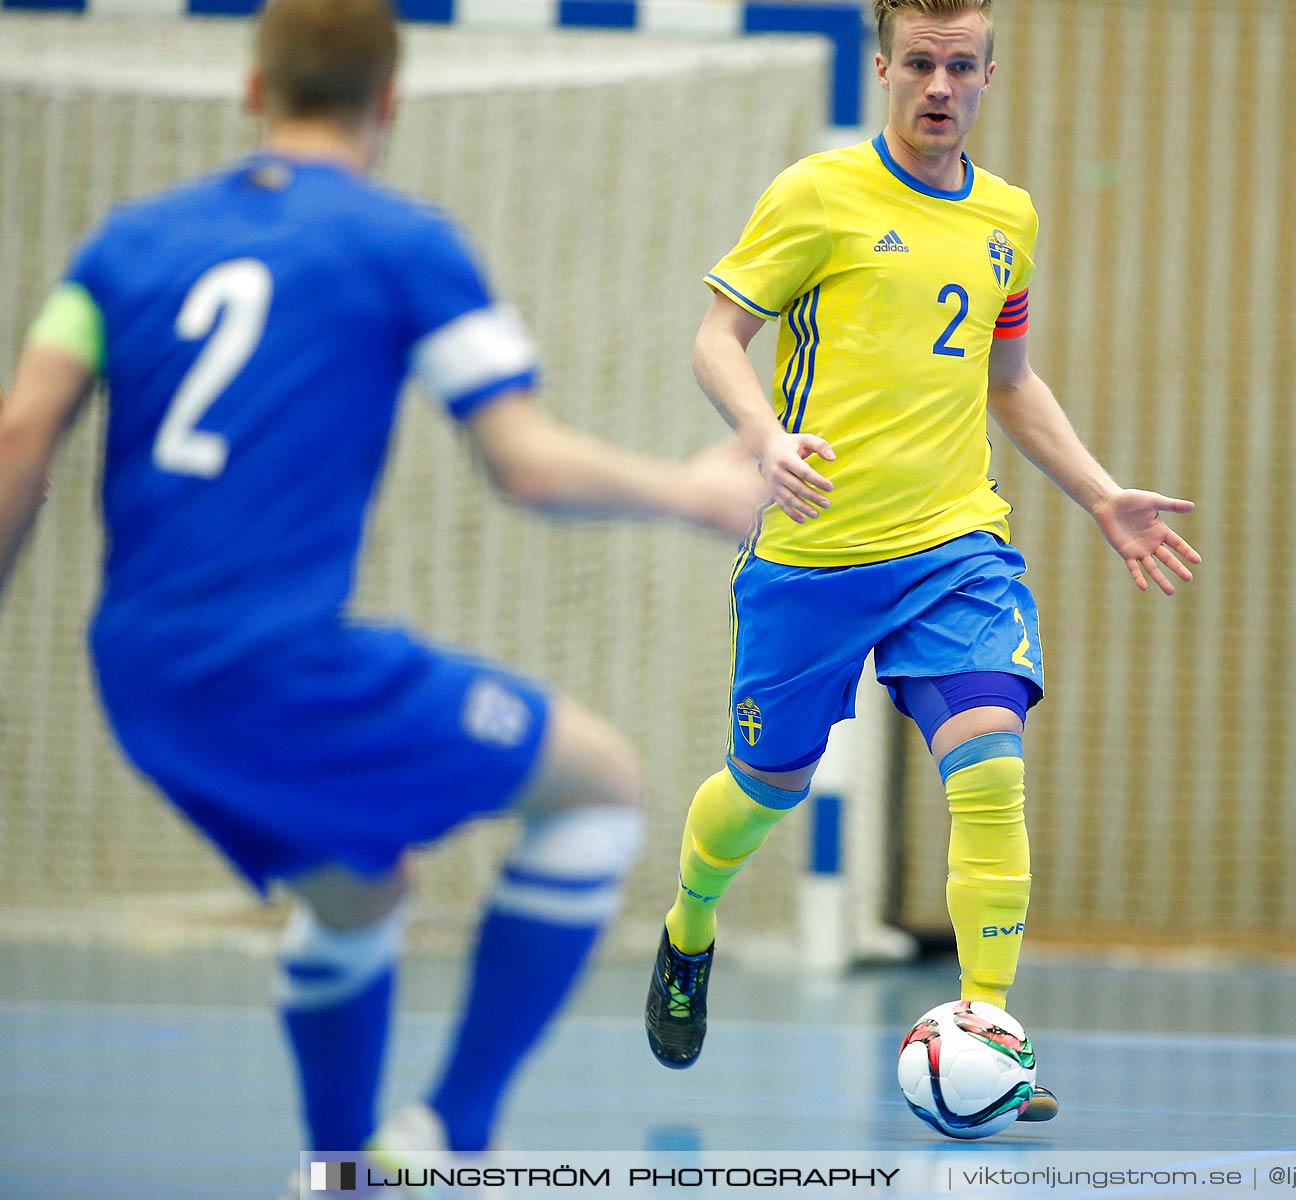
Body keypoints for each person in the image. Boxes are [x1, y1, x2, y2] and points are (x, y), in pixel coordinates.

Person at [0, 0, 765, 1190]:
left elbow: (19, 436)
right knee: (599, 789)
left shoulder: (122, 244)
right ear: (390, 103)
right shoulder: (403, 243)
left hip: (137, 676)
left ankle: (341, 1172)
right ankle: (450, 1134)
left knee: (359, 892)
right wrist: (691, 491)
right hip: (277, 665)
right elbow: (526, 463)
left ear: (253, 90)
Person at [642, 0, 1201, 1124]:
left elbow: (1009, 380)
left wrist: (1101, 494)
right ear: (884, 67)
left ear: (989, 75)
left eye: (962, 66)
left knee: (990, 763)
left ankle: (988, 1025)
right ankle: (690, 922)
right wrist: (765, 438)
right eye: (920, 65)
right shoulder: (819, 195)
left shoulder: (1008, 217)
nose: (940, 86)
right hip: (813, 554)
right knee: (766, 793)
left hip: (956, 544)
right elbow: (716, 337)